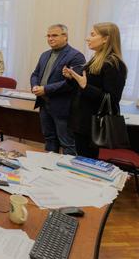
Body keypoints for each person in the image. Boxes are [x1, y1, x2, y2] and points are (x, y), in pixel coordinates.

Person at [64, 22, 127, 158]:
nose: (87, 38)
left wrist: (86, 86)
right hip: (82, 122)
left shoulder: (114, 64)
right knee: (81, 161)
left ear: (106, 39)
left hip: (94, 126)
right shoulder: (96, 60)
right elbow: (84, 88)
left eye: (92, 35)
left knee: (87, 163)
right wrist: (72, 79)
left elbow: (112, 99)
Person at [30, 24, 85, 155]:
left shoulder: (76, 56)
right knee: (49, 139)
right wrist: (35, 86)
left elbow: (72, 83)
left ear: (65, 36)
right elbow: (35, 74)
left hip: (62, 107)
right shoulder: (45, 55)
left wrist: (46, 89)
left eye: (54, 35)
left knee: (67, 143)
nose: (50, 39)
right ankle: (50, 166)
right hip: (44, 104)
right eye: (48, 36)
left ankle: (67, 168)